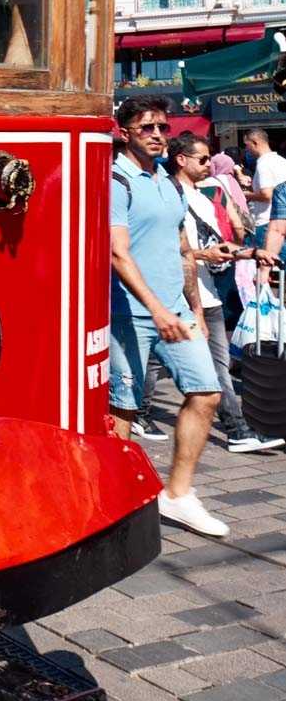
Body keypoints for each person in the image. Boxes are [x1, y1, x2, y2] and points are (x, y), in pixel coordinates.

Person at [109, 96, 227, 537]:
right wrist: (156, 309)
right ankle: (113, 503)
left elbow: (181, 248)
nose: (158, 134)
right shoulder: (116, 180)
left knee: (206, 392)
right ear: (125, 132)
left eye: (162, 126)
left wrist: (192, 307)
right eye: (147, 128)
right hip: (129, 313)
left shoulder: (168, 179)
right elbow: (117, 254)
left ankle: (177, 496)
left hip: (174, 310)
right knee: (123, 412)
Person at [168, 131, 281, 454]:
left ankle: (237, 429)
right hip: (185, 298)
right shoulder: (172, 196)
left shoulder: (206, 195)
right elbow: (178, 249)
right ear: (182, 160)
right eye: (203, 159)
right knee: (204, 370)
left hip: (209, 294)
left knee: (217, 367)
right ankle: (237, 429)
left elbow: (214, 243)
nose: (209, 165)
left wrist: (251, 253)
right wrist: (204, 256)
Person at [245, 128, 286, 245]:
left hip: (266, 222)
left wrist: (247, 195)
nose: (246, 149)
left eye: (247, 145)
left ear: (255, 143)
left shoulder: (263, 164)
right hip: (280, 220)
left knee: (272, 260)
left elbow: (267, 194)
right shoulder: (281, 161)